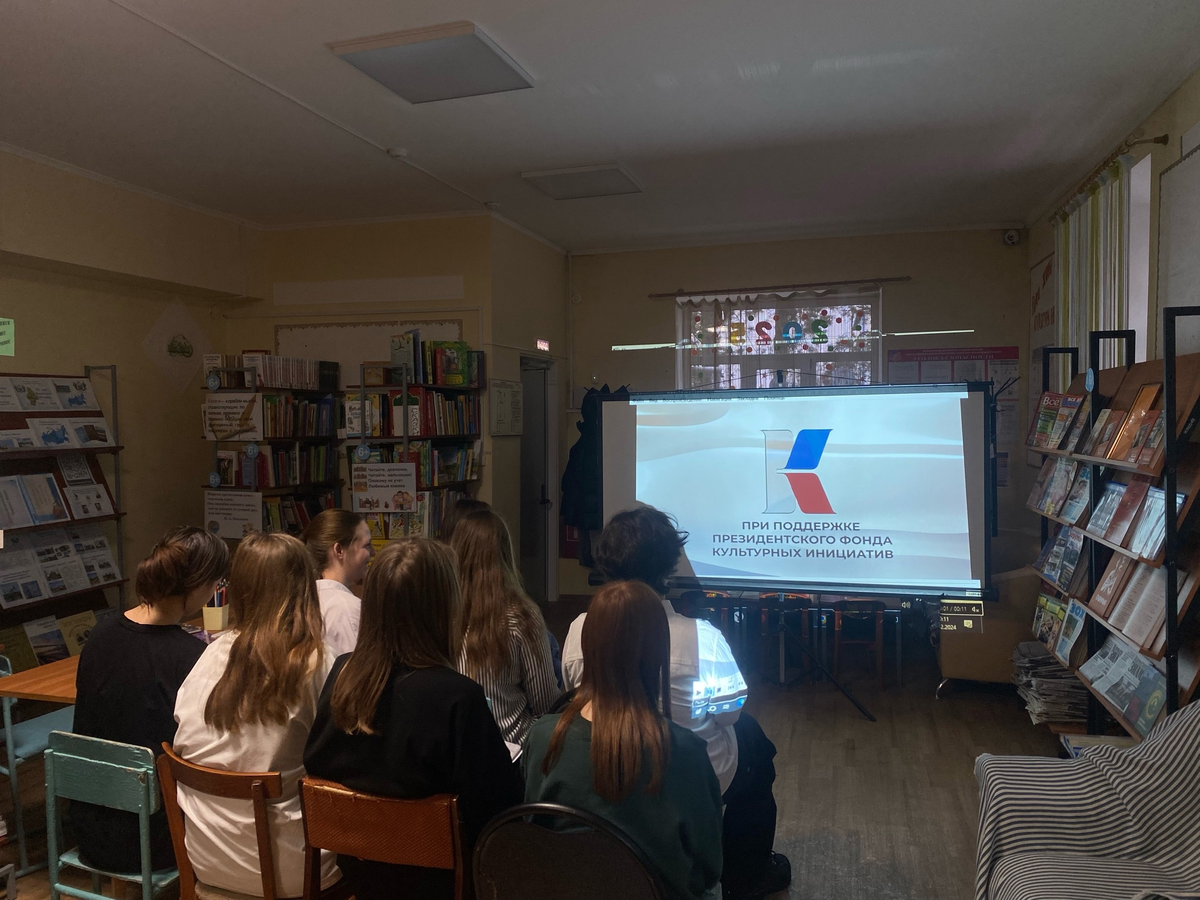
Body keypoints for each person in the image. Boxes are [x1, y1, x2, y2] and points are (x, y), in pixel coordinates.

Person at [562, 506, 790, 900]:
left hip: (599, 770)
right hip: (687, 780)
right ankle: (747, 879)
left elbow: (573, 695)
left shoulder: (578, 629)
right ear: (668, 568)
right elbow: (730, 714)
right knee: (753, 742)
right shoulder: (703, 637)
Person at [304, 538, 523, 900]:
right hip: (445, 884)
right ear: (445, 609)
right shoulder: (458, 697)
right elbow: (499, 813)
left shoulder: (342, 674)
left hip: (361, 874)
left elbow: (317, 766)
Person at [525, 580, 724, 900]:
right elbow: (710, 867)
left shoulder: (543, 737)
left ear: (587, 647)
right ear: (657, 654)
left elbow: (535, 833)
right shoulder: (686, 753)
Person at [172, 532, 339, 898]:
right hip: (292, 869)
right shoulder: (318, 661)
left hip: (207, 858)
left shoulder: (209, 656)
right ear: (305, 589)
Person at [72, 527, 229, 873]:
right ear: (198, 585)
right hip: (158, 837)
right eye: (216, 584)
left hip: (90, 828)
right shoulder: (191, 657)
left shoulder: (100, 635)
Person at [451, 509, 561, 744]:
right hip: (512, 746)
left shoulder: (440, 613)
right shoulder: (522, 615)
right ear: (504, 554)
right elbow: (545, 703)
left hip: (455, 746)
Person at [302, 509, 373, 657]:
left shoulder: (307, 598)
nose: (373, 552)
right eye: (366, 545)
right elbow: (359, 668)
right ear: (339, 550)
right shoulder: (346, 609)